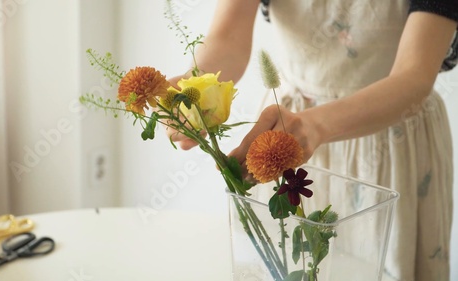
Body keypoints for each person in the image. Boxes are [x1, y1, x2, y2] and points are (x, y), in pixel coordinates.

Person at [167, 0, 457, 280]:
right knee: (288, 262)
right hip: (286, 131)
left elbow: (415, 74)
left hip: (392, 140)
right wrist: (193, 89)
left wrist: (314, 126)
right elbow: (228, 35)